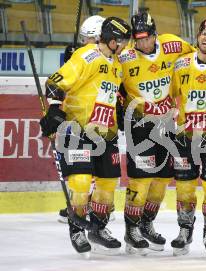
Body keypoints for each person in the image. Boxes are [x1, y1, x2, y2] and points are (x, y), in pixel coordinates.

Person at [39, 17, 131, 256]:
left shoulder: (117, 64)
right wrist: (54, 109)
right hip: (78, 130)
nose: (125, 46)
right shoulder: (87, 56)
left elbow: (110, 92)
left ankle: (98, 228)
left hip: (105, 133)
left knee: (108, 184)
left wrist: (119, 109)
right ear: (111, 41)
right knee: (80, 182)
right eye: (122, 41)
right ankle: (78, 228)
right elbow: (54, 82)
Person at [117, 11, 195, 254]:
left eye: (146, 38)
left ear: (155, 34)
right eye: (137, 39)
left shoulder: (173, 45)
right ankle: (131, 229)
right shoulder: (125, 56)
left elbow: (196, 60)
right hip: (140, 126)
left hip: (167, 125)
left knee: (162, 180)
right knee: (140, 180)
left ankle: (146, 223)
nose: (142, 43)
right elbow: (106, 77)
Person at [170, 18, 206, 257]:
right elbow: (172, 95)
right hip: (186, 135)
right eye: (204, 32)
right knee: (184, 188)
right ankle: (185, 229)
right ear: (198, 35)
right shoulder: (181, 63)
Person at [58, 15, 107, 224]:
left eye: (89, 39)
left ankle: (93, 205)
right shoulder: (84, 55)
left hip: (100, 121)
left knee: (96, 171)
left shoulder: (108, 58)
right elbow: (64, 80)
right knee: (80, 169)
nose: (85, 43)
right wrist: (70, 60)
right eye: (83, 38)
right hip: (79, 118)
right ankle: (79, 203)